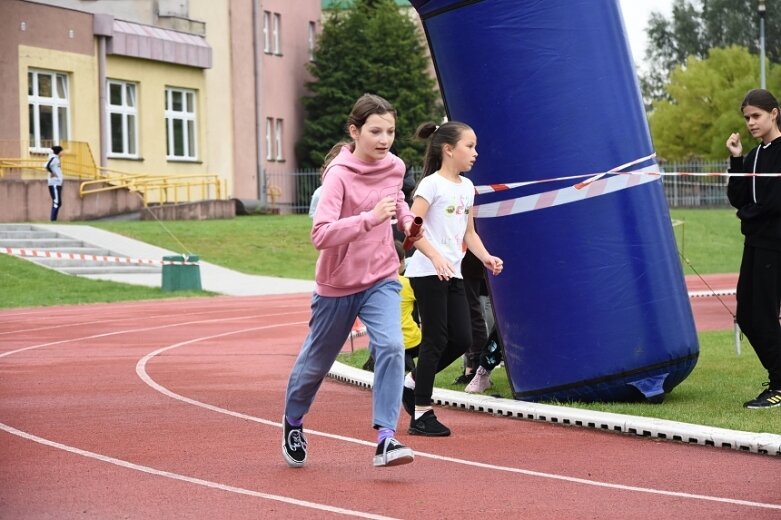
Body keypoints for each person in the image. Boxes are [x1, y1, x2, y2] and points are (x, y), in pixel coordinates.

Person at [281, 93, 422, 468]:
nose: (384, 139)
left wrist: (407, 223)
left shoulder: (394, 166)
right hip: (338, 285)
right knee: (316, 362)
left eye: (390, 131)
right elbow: (321, 234)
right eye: (376, 131)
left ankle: (386, 438)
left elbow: (397, 202)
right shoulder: (338, 176)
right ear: (354, 131)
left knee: (392, 347)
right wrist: (369, 218)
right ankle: (293, 419)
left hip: (381, 277)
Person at [402, 120, 504, 436]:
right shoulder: (430, 185)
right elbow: (411, 230)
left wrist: (486, 256)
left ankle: (412, 381)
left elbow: (468, 232)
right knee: (435, 339)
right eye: (469, 146)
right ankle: (421, 413)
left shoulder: (467, 188)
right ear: (448, 149)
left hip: (453, 271)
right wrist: (434, 256)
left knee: (460, 338)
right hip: (427, 271)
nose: (475, 153)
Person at [726, 88, 781, 409]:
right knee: (746, 315)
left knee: (761, 314)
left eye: (756, 116)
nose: (750, 122)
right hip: (755, 243)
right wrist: (736, 158)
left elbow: (774, 203)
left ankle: (779, 383)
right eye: (747, 118)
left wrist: (747, 213)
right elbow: (738, 197)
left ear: (774, 113)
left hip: (776, 245)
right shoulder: (754, 155)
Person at [363, 240, 421, 373]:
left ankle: (377, 358)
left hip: (381, 340)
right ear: (400, 263)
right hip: (410, 340)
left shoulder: (372, 284)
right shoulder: (408, 283)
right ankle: (405, 361)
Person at [45, 145, 64, 221]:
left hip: (58, 183)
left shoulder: (57, 159)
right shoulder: (54, 158)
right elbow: (47, 166)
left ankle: (53, 219)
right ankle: (53, 220)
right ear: (58, 152)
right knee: (57, 202)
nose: (63, 153)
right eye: (62, 151)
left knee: (58, 202)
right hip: (54, 183)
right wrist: (52, 172)